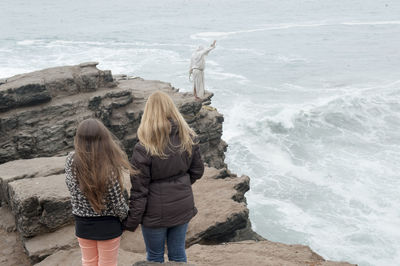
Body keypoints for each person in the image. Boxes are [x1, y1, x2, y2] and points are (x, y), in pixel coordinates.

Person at [123, 90, 205, 263]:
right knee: (178, 253)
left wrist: (131, 222)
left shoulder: (144, 147)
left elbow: (139, 190)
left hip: (155, 213)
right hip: (182, 206)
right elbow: (197, 171)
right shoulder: (188, 137)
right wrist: (181, 183)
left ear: (148, 113)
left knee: (154, 257)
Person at [65, 118, 133, 266]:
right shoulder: (108, 165)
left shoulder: (71, 160)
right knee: (108, 263)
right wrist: (127, 216)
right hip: (108, 226)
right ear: (104, 138)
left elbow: (72, 189)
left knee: (88, 262)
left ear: (78, 139)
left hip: (82, 224)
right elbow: (117, 204)